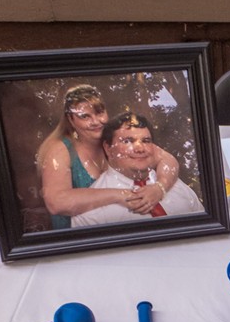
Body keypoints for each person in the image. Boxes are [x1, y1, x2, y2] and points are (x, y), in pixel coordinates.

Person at [35, 85, 180, 229]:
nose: (95, 121)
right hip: (78, 236)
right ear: (71, 120)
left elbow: (168, 161)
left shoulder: (115, 142)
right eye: (85, 116)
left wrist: (159, 188)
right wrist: (120, 195)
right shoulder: (60, 150)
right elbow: (56, 203)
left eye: (99, 113)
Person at [72, 112, 202, 228]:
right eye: (128, 141)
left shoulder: (177, 187)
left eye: (146, 141)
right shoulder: (90, 211)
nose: (140, 149)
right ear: (108, 148)